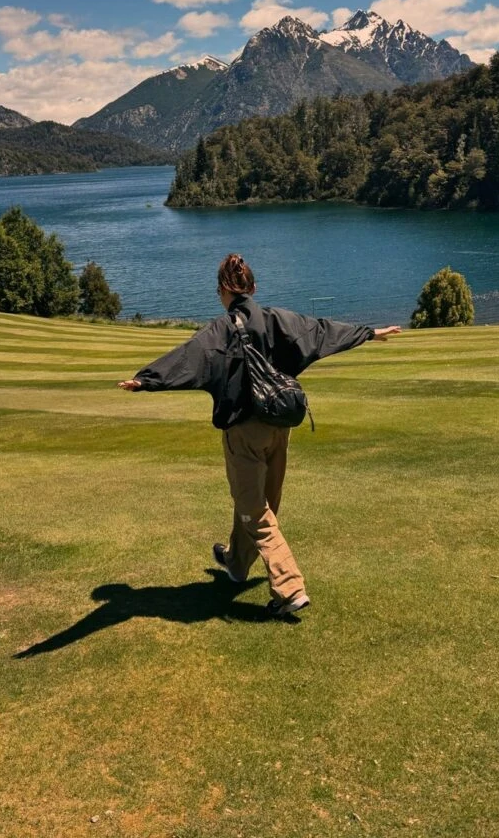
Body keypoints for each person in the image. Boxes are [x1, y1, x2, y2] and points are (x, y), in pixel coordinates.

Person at [118, 254, 401, 618]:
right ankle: (236, 564)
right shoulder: (275, 319)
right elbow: (320, 332)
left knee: (256, 510)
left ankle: (290, 588)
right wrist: (370, 333)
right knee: (258, 501)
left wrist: (146, 380)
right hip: (279, 428)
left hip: (244, 433)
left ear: (222, 290)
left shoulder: (218, 331)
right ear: (253, 288)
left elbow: (188, 359)